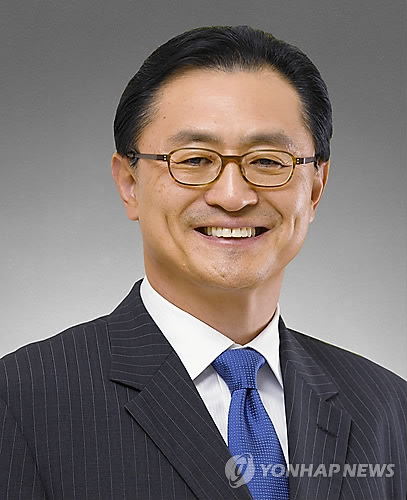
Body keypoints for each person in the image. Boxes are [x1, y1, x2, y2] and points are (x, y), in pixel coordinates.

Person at [0, 25, 406, 500]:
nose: (233, 196)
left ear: (315, 188)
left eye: (269, 161)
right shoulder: (22, 400)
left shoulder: (387, 408)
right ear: (129, 184)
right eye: (194, 160)